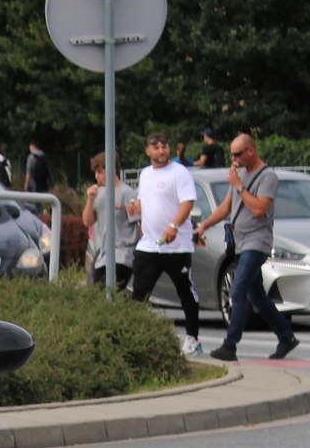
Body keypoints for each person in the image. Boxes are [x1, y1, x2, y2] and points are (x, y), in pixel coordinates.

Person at [191, 132, 295, 363]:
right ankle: (286, 335)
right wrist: (204, 226)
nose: (234, 159)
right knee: (256, 294)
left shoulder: (267, 177)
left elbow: (259, 209)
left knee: (237, 290)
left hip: (257, 241)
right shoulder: (239, 175)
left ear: (251, 151)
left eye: (238, 154)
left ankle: (230, 345)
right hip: (239, 240)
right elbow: (226, 207)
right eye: (231, 154)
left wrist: (239, 187)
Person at [122, 131, 203, 351]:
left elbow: (187, 203)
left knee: (185, 292)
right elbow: (144, 201)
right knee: (139, 292)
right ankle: (134, 337)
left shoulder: (179, 172)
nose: (161, 151)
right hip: (149, 245)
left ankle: (192, 338)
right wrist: (136, 208)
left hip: (176, 246)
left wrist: (174, 226)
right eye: (155, 147)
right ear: (148, 151)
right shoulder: (145, 174)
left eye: (164, 146)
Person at [81, 152, 135, 286]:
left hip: (123, 254)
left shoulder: (127, 193)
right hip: (104, 254)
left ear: (112, 171)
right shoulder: (99, 193)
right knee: (96, 293)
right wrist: (90, 200)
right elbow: (87, 221)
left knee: (110, 290)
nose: (96, 176)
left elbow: (139, 223)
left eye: (100, 172)